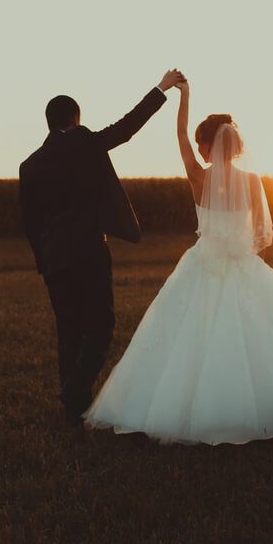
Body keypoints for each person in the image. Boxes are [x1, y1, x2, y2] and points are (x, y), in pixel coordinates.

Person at [83, 77, 273, 444]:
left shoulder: (198, 176)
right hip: (243, 264)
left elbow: (179, 135)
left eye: (202, 142)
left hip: (204, 264)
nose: (197, 148)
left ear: (210, 144)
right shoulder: (251, 181)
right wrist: (241, 254)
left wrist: (184, 95)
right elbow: (262, 232)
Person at [19, 69, 186, 426]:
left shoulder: (29, 165)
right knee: (102, 325)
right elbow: (128, 127)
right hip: (89, 252)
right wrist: (162, 87)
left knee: (69, 331)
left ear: (49, 123)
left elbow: (30, 222)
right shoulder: (86, 142)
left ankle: (73, 411)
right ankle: (75, 390)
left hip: (54, 259)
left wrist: (43, 262)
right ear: (76, 118)